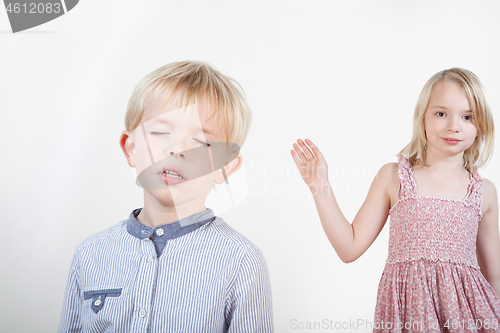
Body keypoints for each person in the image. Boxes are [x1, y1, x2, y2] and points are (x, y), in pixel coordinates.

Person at [58, 60, 273, 333]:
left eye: (202, 142)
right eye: (160, 132)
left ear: (225, 167)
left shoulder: (241, 261)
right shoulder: (89, 254)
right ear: (131, 148)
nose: (176, 149)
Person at [291, 67, 500, 332]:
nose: (453, 126)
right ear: (422, 118)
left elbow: (494, 276)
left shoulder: (485, 192)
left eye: (467, 116)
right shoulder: (394, 177)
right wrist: (320, 186)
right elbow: (349, 247)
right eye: (440, 113)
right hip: (406, 317)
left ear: (481, 126)